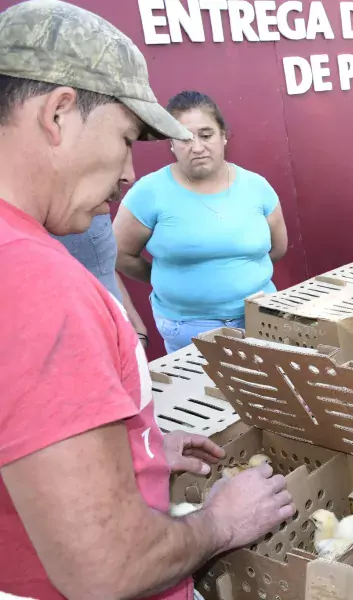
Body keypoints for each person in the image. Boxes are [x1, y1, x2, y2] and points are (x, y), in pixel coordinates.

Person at [0, 2, 293, 598]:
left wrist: (132, 446)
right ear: (58, 113)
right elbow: (108, 568)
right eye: (127, 138)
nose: (130, 171)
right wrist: (220, 521)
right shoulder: (31, 278)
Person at [114, 91, 288, 354]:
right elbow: (120, 254)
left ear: (224, 136)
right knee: (200, 395)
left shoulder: (256, 187)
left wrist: (238, 274)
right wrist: (167, 277)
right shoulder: (149, 192)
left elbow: (277, 248)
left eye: (206, 135)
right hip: (189, 331)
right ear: (170, 143)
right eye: (183, 138)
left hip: (261, 319)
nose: (196, 147)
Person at [51, 215, 150, 349]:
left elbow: (102, 268)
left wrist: (134, 323)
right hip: (67, 339)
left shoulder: (98, 212)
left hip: (115, 330)